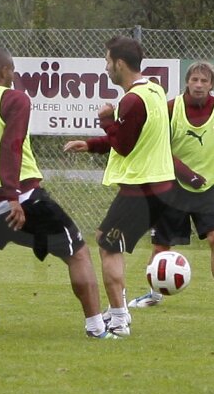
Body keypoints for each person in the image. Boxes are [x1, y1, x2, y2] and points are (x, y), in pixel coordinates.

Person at [0, 48, 113, 339]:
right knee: (78, 253)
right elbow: (11, 145)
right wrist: (13, 196)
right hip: (22, 198)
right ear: (4, 71)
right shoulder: (15, 99)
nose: (14, 75)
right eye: (12, 70)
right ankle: (96, 328)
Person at [63, 36, 173, 338]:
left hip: (142, 189)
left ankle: (119, 320)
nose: (106, 66)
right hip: (156, 187)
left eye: (108, 61)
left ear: (120, 64)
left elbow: (123, 144)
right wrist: (90, 145)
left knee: (108, 247)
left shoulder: (131, 100)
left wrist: (106, 119)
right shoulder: (154, 90)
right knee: (105, 239)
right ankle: (117, 314)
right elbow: (132, 139)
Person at [127, 61, 214, 312]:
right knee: (161, 245)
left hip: (208, 187)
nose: (198, 85)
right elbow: (158, 145)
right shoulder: (172, 108)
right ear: (187, 81)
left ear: (211, 85)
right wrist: (187, 174)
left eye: (204, 81)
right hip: (172, 186)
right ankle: (154, 294)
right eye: (194, 79)